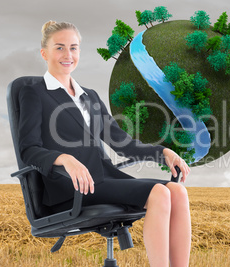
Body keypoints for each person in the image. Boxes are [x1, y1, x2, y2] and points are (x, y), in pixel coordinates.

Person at [18, 20, 191, 267]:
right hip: (71, 185)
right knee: (160, 193)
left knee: (178, 192)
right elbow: (29, 149)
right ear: (44, 53)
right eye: (59, 48)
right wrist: (63, 159)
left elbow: (122, 143)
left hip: (104, 178)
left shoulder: (89, 96)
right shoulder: (34, 92)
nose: (68, 55)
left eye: (74, 48)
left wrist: (163, 151)